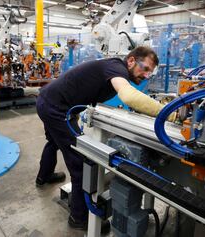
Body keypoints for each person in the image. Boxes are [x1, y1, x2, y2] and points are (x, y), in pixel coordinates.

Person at [35, 46, 175, 231]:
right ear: (131, 60)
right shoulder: (117, 68)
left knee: (53, 141)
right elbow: (129, 96)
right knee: (80, 163)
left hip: (48, 100)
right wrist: (168, 113)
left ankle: (43, 177)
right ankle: (78, 217)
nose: (147, 75)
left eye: (151, 72)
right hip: (56, 108)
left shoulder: (114, 68)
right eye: (145, 68)